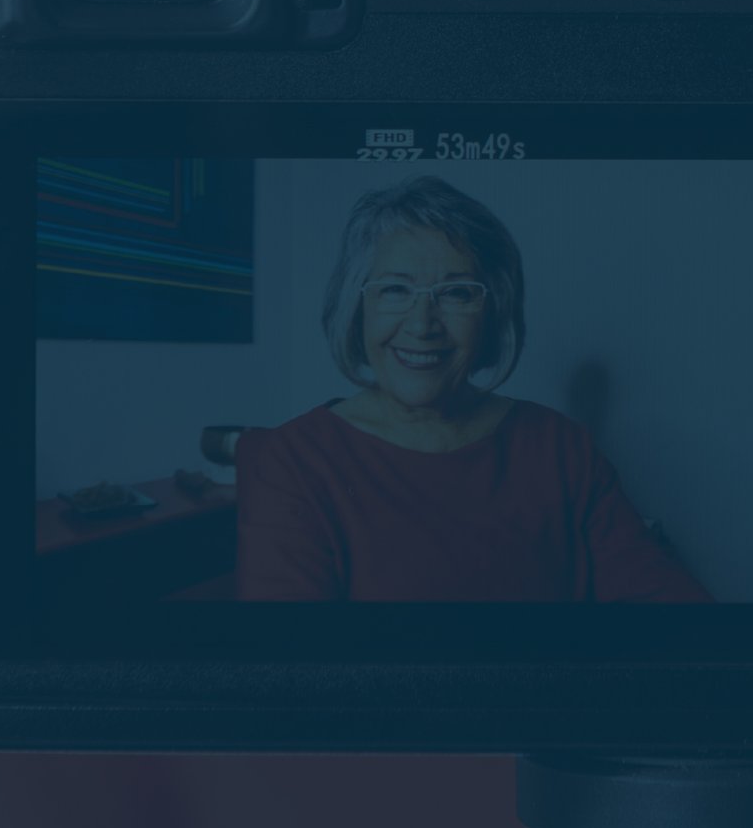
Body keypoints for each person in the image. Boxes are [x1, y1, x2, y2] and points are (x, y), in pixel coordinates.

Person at [233, 175, 710, 603]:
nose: (422, 325)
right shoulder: (292, 459)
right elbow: (292, 671)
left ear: (493, 313)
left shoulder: (562, 448)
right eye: (395, 289)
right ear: (357, 309)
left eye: (457, 293)